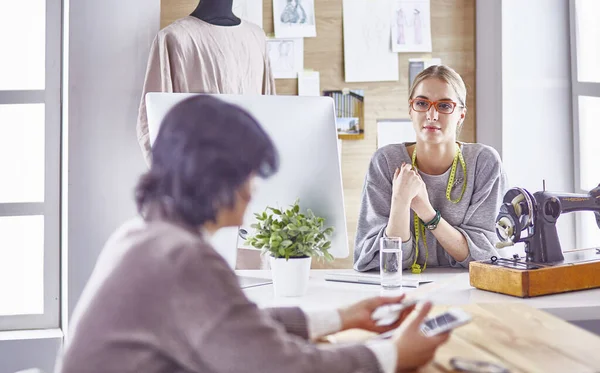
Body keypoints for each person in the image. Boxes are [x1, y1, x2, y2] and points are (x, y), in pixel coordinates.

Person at [56, 96, 450, 373]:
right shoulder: (181, 258)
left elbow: (234, 323)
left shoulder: (143, 236)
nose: (253, 189)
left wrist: (343, 317)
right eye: (249, 174)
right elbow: (280, 366)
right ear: (216, 175)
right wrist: (392, 355)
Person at [354, 65, 509, 273]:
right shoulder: (385, 162)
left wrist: (425, 211)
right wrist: (400, 202)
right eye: (421, 103)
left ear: (461, 115)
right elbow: (375, 261)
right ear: (411, 109)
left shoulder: (484, 163)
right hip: (403, 290)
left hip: (470, 289)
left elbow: (487, 256)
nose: (432, 114)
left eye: (444, 106)